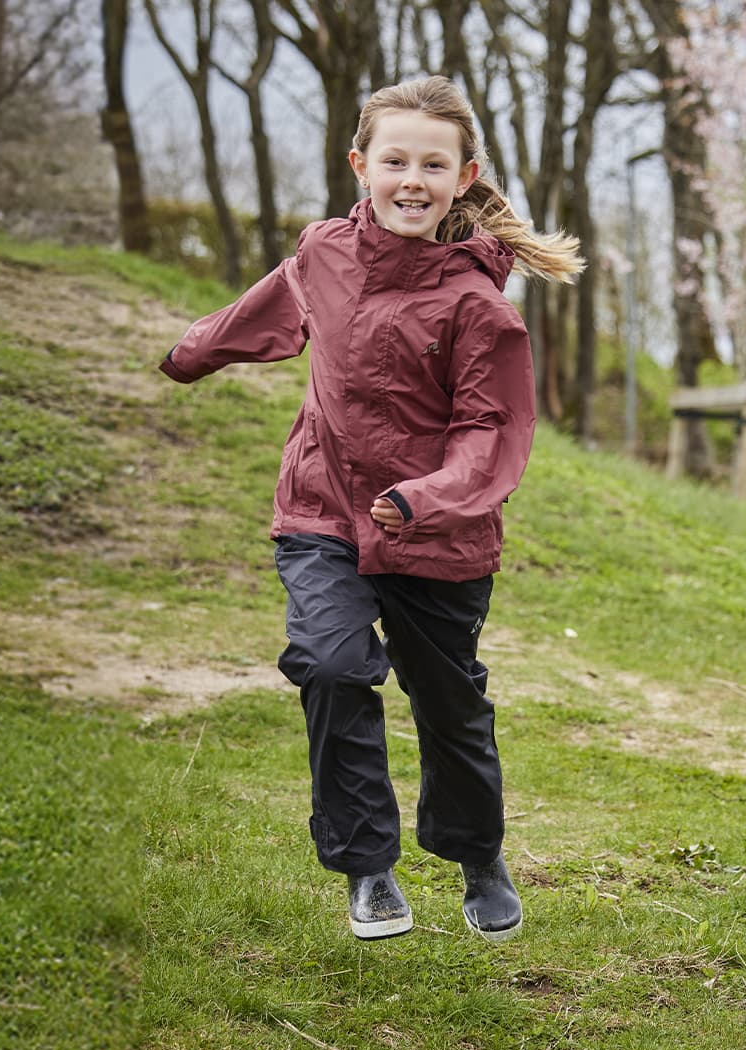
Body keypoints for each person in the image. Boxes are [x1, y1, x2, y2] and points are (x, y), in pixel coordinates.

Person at [159, 75, 581, 944]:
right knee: (330, 664)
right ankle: (368, 867)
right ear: (362, 165)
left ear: (464, 176)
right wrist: (192, 351)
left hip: (438, 533)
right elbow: (269, 306)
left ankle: (476, 853)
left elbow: (490, 432)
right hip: (322, 508)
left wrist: (424, 499)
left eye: (434, 163)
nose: (412, 179)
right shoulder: (324, 252)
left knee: (448, 702)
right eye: (395, 160)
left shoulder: (478, 306)